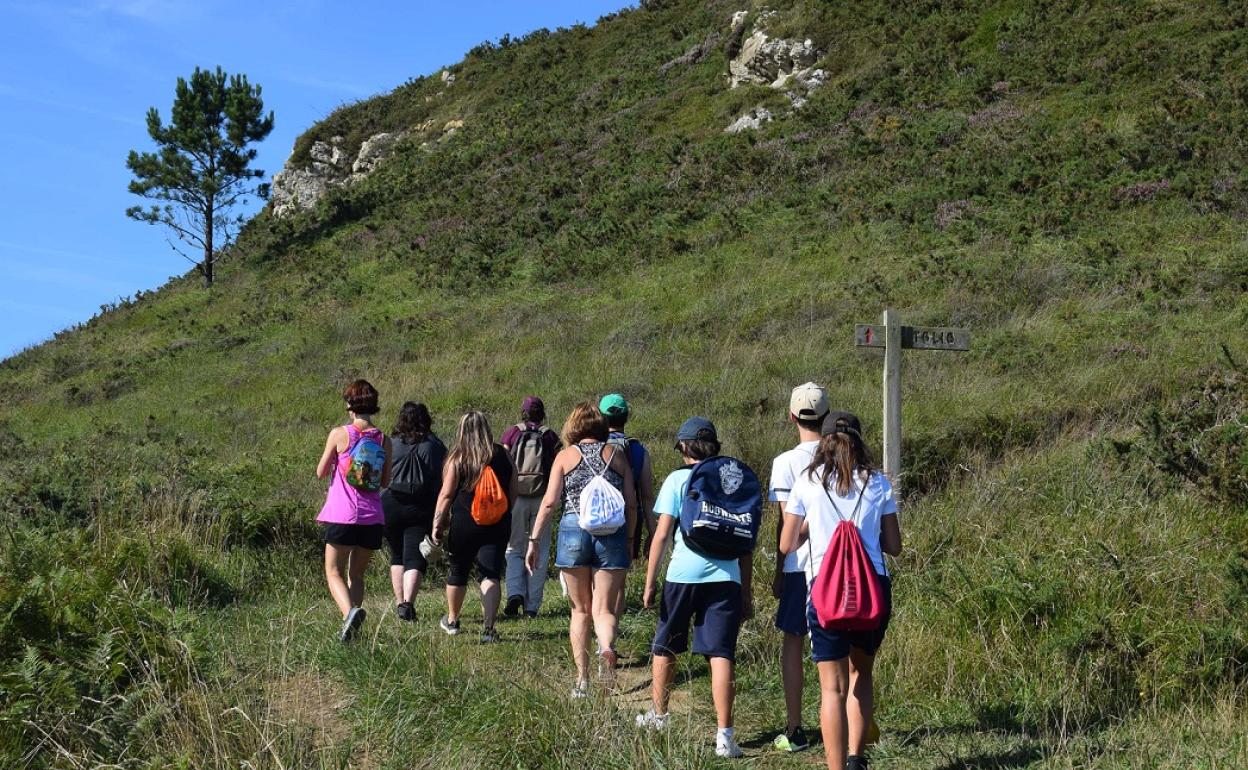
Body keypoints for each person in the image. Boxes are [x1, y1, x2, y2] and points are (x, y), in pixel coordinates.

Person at [779, 412, 902, 770]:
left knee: (831, 688)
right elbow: (893, 545)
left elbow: (788, 543)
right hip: (870, 591)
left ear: (825, 442)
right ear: (860, 441)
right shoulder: (878, 483)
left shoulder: (807, 482)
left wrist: (811, 529)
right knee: (860, 675)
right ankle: (856, 759)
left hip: (826, 593)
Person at [637, 417, 753, 760]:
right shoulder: (732, 483)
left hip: (682, 575)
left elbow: (661, 535)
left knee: (666, 646)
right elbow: (745, 542)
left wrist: (648, 583)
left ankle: (659, 716)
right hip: (726, 577)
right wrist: (745, 592)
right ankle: (725, 736)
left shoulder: (676, 480)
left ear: (684, 447)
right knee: (721, 654)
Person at [526, 401, 637, 698]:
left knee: (580, 610)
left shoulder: (564, 456)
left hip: (574, 528)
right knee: (604, 608)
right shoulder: (618, 455)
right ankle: (607, 647)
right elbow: (631, 501)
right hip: (612, 533)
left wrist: (534, 540)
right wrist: (630, 538)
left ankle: (582, 681)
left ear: (573, 426)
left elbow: (550, 502)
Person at [768, 382, 828, 753]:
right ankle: (843, 718)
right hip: (839, 566)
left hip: (798, 566)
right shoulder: (842, 455)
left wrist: (778, 568)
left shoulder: (785, 462)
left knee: (794, 642)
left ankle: (795, 727)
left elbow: (784, 523)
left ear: (792, 416)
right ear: (826, 415)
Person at [315, 379, 392, 643]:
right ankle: (353, 631)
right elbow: (384, 481)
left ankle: (350, 614)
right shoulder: (383, 439)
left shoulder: (339, 434)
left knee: (333, 571)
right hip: (372, 517)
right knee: (356, 575)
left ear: (350, 405)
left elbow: (321, 471)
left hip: (342, 514)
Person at [431, 411, 516, 643]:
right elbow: (514, 489)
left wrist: (437, 523)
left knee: (458, 571)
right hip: (497, 523)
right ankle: (489, 629)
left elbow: (447, 494)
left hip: (464, 523)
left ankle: (452, 620)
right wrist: (505, 513)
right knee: (490, 574)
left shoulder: (458, 458)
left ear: (462, 430)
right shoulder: (503, 454)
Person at [381, 402, 446, 622]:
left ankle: (400, 604)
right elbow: (442, 481)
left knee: (397, 555)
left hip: (390, 504)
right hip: (420, 505)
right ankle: (408, 603)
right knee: (414, 555)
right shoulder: (434, 445)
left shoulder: (391, 443)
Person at [500, 396, 562, 618]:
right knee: (540, 550)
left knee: (514, 548)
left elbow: (503, 463)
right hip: (542, 497)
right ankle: (532, 606)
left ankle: (514, 593)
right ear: (542, 413)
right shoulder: (550, 436)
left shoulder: (512, 433)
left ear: (523, 412)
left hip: (515, 497)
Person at [599, 393, 656, 616]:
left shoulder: (595, 447)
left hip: (598, 515)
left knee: (597, 568)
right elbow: (647, 496)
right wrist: (653, 533)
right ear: (626, 417)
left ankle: (599, 618)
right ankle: (616, 617)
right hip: (629, 519)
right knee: (619, 572)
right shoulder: (638, 450)